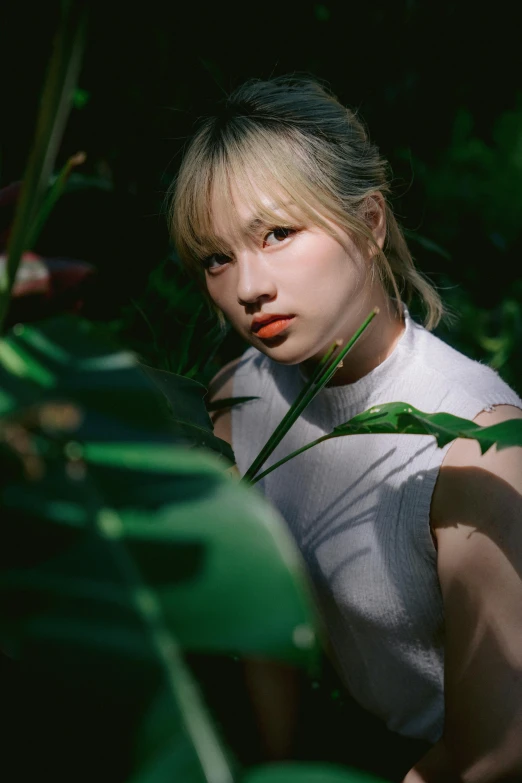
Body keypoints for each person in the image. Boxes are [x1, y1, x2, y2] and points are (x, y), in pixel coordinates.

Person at [169, 76, 522, 782]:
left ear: (370, 223)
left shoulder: (473, 441)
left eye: (278, 233)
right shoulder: (239, 400)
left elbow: (496, 752)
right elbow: (264, 626)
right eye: (217, 257)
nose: (248, 287)